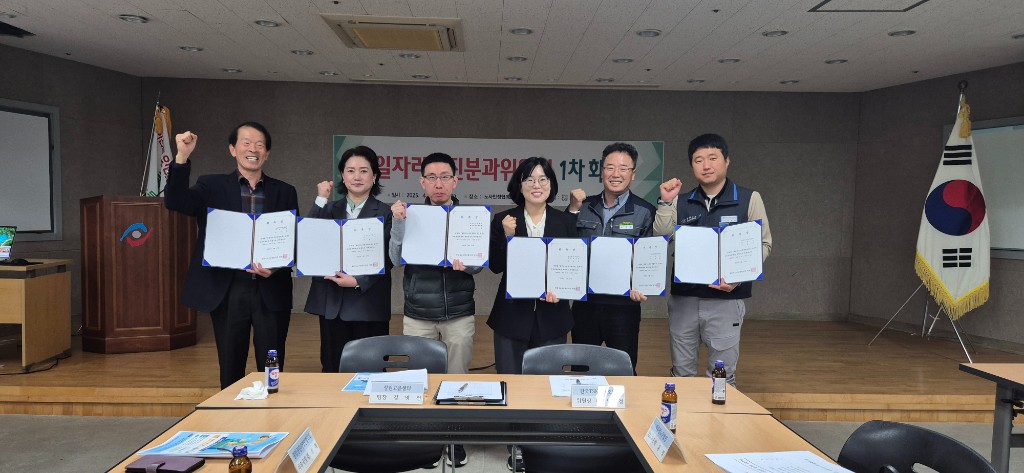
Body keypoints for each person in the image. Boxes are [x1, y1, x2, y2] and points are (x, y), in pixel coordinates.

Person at [164, 122, 298, 389]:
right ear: (232, 149)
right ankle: (231, 410)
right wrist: (182, 157)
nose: (253, 149)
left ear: (267, 154)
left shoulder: (285, 191)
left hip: (271, 288)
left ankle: (273, 407)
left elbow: (292, 238)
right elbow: (176, 201)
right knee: (230, 363)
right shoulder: (211, 185)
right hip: (228, 288)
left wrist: (277, 266)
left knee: (272, 365)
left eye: (259, 145)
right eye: (246, 143)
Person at [653, 133, 772, 386]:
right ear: (691, 165)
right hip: (684, 300)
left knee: (722, 377)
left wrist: (738, 278)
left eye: (712, 158)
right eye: (698, 160)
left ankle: (720, 412)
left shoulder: (749, 198)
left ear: (726, 161)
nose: (706, 165)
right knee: (682, 373)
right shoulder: (681, 201)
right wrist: (665, 202)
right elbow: (661, 237)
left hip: (726, 300)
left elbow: (764, 244)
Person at [389, 152, 482, 468]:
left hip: (458, 313)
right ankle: (427, 440)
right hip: (418, 313)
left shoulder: (469, 218)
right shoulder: (409, 215)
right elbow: (395, 258)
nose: (438, 184)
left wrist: (467, 264)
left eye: (445, 177)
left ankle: (455, 438)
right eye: (432, 177)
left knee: (457, 379)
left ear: (456, 181)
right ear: (422, 182)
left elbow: (478, 266)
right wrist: (398, 223)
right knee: (421, 380)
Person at [488, 157, 577, 472]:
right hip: (511, 317)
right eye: (529, 179)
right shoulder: (504, 219)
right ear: (519, 185)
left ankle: (543, 444)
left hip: (552, 317)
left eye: (543, 179)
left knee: (547, 385)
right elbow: (495, 266)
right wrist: (508, 238)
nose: (536, 185)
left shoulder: (566, 222)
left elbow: (572, 267)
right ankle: (515, 446)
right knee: (511, 384)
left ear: (551, 185)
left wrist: (563, 289)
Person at [567, 142, 656, 372]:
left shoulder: (645, 211)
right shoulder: (583, 207)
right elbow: (564, 244)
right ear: (601, 171)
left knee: (624, 370)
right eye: (610, 167)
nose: (616, 174)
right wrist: (572, 211)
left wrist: (643, 285)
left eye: (623, 168)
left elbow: (648, 259)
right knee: (581, 370)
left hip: (624, 307)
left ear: (633, 174)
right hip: (585, 305)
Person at [303, 145, 393, 373]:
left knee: (371, 368)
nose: (357, 177)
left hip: (368, 303)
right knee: (332, 368)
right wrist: (320, 199)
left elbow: (390, 256)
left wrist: (358, 280)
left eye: (364, 171)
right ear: (342, 176)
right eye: (350, 171)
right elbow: (308, 239)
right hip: (332, 302)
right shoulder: (328, 208)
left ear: (374, 176)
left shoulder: (386, 212)